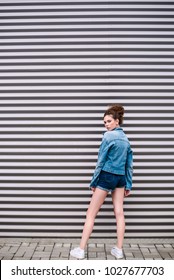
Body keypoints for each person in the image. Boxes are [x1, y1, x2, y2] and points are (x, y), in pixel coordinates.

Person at [70, 104, 133, 259]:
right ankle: (118, 250)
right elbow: (129, 165)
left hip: (106, 176)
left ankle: (81, 250)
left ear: (117, 121)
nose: (106, 124)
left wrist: (94, 181)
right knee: (119, 213)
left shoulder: (107, 136)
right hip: (120, 178)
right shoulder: (126, 139)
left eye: (109, 121)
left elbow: (100, 161)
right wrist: (129, 184)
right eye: (104, 122)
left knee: (91, 213)